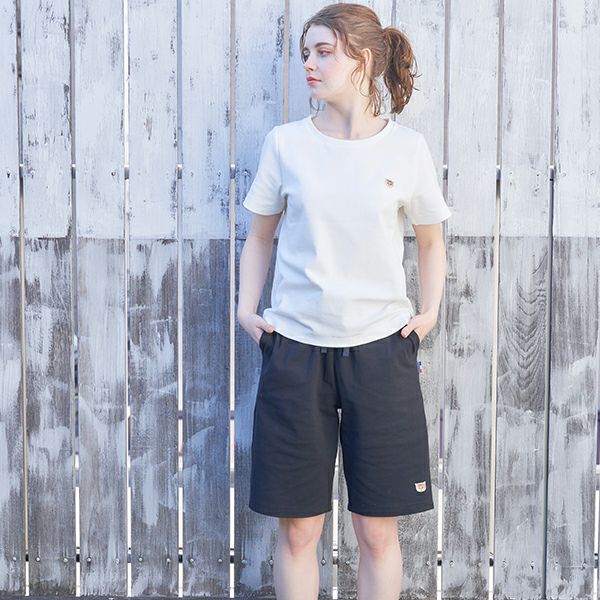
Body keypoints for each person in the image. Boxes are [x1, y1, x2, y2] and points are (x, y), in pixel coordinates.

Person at [237, 3, 451, 599]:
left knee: (376, 531)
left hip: (382, 353)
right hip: (294, 351)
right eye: (305, 53)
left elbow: (431, 241)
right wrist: (247, 312)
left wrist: (428, 314)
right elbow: (260, 236)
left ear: (363, 59)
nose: (309, 63)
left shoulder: (406, 149)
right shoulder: (286, 144)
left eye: (324, 51)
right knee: (299, 530)